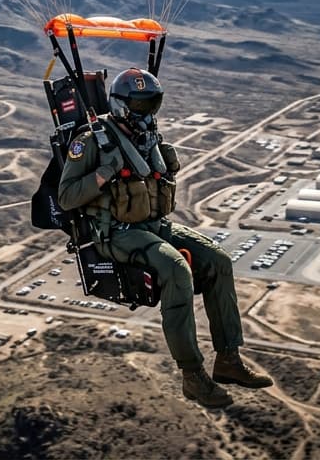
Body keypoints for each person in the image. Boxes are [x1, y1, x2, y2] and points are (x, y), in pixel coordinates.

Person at [57, 67, 274, 408]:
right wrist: (103, 173)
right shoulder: (91, 140)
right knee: (176, 270)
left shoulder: (147, 137)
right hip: (116, 232)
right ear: (123, 106)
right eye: (141, 107)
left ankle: (228, 360)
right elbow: (67, 197)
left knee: (218, 261)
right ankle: (192, 376)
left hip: (155, 226)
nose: (148, 114)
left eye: (152, 106)